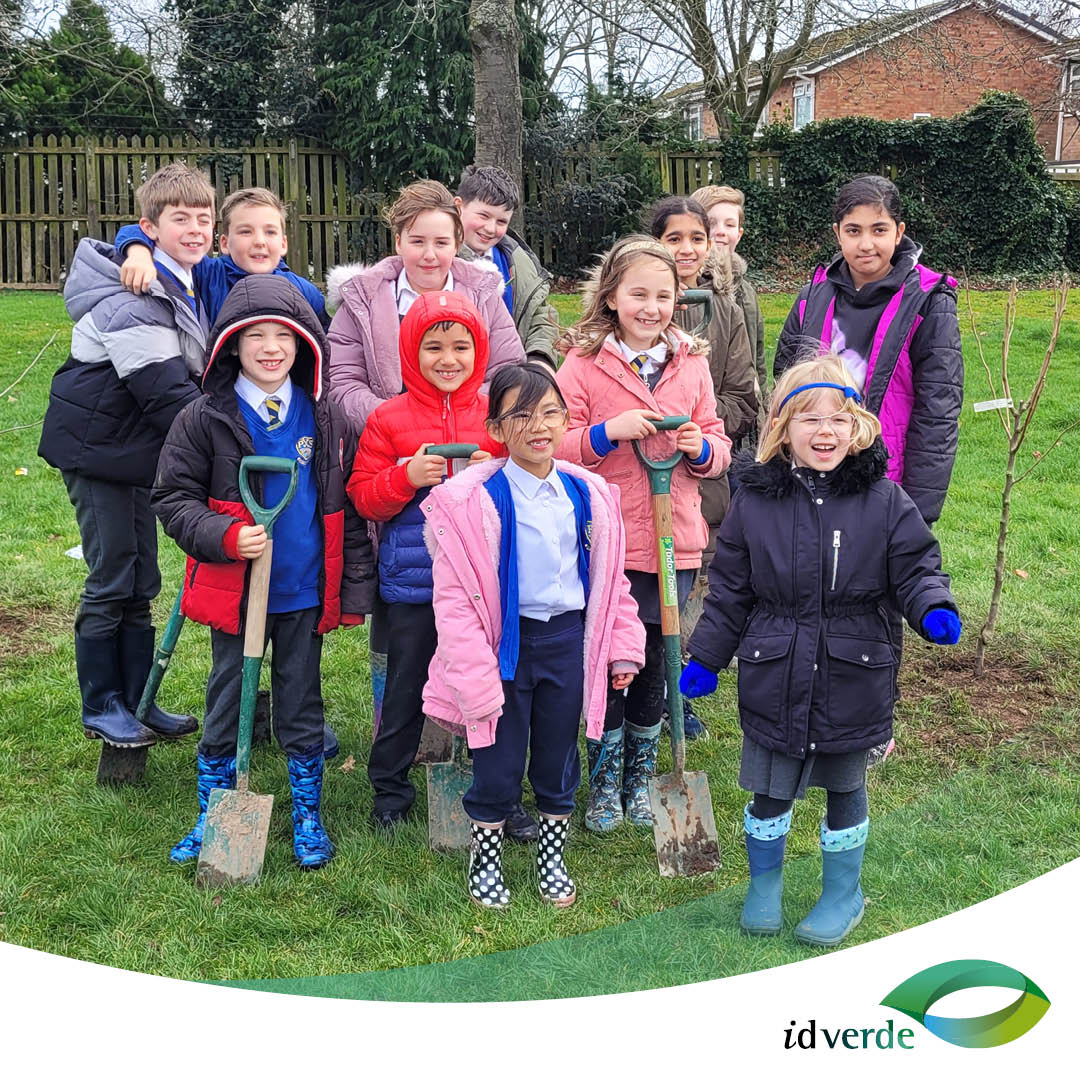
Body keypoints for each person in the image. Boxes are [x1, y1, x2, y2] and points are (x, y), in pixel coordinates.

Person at [681, 356, 961, 946]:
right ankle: (765, 886)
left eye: (837, 418)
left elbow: (915, 566)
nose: (824, 432)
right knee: (770, 788)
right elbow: (730, 591)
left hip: (852, 672)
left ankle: (841, 893)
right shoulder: (754, 505)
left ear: (857, 426)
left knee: (844, 785)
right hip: (775, 669)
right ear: (783, 429)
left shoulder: (885, 501)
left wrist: (932, 607)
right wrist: (706, 659)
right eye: (808, 419)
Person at [152, 275, 376, 868]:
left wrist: (350, 586)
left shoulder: (322, 417)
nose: (271, 347)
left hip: (302, 589)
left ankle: (307, 811)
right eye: (256, 336)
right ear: (230, 345)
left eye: (286, 335)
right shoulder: (203, 419)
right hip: (236, 590)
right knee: (228, 694)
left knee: (302, 699)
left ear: (305, 344)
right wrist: (224, 535)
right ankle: (211, 810)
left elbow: (345, 506)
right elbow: (172, 497)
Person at [421, 363, 646, 908]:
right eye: (520, 416)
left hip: (567, 642)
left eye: (549, 413)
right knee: (497, 758)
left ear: (566, 420)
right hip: (504, 647)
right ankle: (487, 855)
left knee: (556, 755)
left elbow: (610, 581)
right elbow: (456, 602)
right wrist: (474, 677)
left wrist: (621, 644)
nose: (537, 426)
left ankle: (551, 855)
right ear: (496, 429)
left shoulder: (588, 496)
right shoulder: (473, 504)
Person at [555, 235, 731, 833]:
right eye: (638, 294)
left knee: (658, 659)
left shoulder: (693, 364)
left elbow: (719, 442)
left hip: (674, 537)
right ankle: (602, 778)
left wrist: (701, 447)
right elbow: (553, 443)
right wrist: (608, 431)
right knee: (610, 659)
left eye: (664, 295)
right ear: (611, 296)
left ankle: (642, 776)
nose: (651, 307)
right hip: (607, 542)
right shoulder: (582, 365)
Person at [38, 162, 215, 750]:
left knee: (141, 575)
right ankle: (102, 705)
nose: (195, 229)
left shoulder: (179, 277)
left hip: (130, 454)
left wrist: (133, 241)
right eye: (179, 219)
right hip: (98, 453)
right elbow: (165, 394)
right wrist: (225, 447)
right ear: (150, 226)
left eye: (203, 217)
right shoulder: (132, 295)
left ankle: (138, 700)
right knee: (113, 573)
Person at [347, 291, 503, 829]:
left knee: (485, 683)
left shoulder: (494, 416)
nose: (448, 359)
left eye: (461, 346)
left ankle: (493, 781)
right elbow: (364, 494)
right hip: (415, 581)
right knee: (405, 686)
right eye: (433, 347)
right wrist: (404, 478)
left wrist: (496, 471)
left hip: (483, 583)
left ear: (478, 351)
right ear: (411, 351)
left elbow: (528, 483)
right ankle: (390, 789)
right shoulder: (389, 419)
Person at [772, 174, 963, 527]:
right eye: (853, 230)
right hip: (815, 468)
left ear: (899, 231)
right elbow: (785, 386)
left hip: (889, 479)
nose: (866, 244)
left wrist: (919, 507)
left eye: (879, 230)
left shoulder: (927, 301)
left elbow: (939, 408)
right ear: (837, 233)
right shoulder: (813, 297)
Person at [650, 195, 759, 740]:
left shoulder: (727, 310)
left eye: (697, 238)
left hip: (702, 469)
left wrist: (703, 420)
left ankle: (676, 692)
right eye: (675, 239)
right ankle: (636, 693)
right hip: (637, 473)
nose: (688, 249)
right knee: (642, 590)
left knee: (693, 584)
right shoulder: (635, 302)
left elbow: (745, 393)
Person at [326, 179, 526, 430]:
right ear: (399, 242)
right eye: (418, 242)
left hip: (470, 442)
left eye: (441, 243)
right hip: (387, 443)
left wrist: (462, 419)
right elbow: (342, 380)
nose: (429, 255)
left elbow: (508, 371)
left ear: (457, 244)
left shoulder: (484, 298)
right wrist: (391, 421)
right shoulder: (363, 300)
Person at [113, 186, 330, 328]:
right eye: (246, 231)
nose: (260, 241)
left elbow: (329, 343)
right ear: (224, 243)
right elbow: (138, 229)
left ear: (283, 244)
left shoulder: (303, 292)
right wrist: (139, 253)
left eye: (270, 232)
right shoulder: (207, 273)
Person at [454, 164, 560, 368]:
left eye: (502, 221)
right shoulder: (439, 262)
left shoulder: (518, 261)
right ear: (459, 206)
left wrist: (540, 360)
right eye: (483, 216)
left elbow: (540, 317)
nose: (491, 228)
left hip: (511, 380)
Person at [691, 184, 768, 419]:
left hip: (747, 416)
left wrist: (764, 409)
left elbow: (758, 362)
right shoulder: (690, 289)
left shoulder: (746, 291)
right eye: (711, 223)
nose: (721, 231)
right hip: (707, 418)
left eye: (730, 224)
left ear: (739, 234)